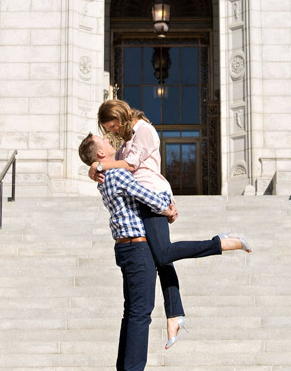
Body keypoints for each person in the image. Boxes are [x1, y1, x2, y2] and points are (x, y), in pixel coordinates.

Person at [90, 99, 250, 348]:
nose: (111, 131)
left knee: (163, 253)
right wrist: (96, 169)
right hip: (143, 197)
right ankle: (175, 314)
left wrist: (97, 164)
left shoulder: (144, 130)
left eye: (111, 126)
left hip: (152, 195)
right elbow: (123, 167)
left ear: (119, 116)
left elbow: (131, 165)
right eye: (108, 129)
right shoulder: (127, 137)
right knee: (160, 257)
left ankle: (220, 243)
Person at [79, 132, 176, 371]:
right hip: (137, 246)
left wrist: (95, 167)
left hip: (125, 247)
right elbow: (148, 197)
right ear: (100, 153)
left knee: (131, 310)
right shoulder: (118, 173)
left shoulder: (104, 176)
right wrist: (168, 206)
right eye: (104, 141)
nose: (109, 141)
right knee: (141, 311)